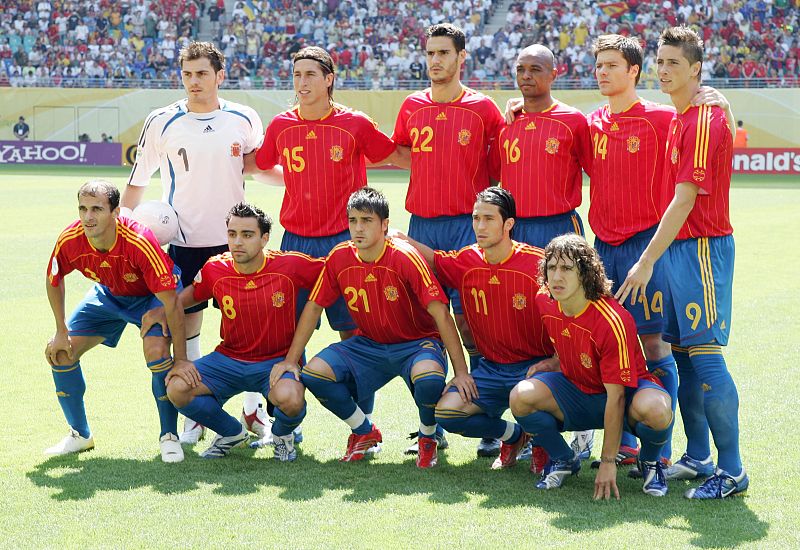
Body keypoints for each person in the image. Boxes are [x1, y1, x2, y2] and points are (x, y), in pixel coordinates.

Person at [252, 46, 408, 447]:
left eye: (310, 75)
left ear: (329, 79)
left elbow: (392, 153)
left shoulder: (354, 123)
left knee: (354, 334)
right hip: (296, 244)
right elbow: (260, 163)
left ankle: (364, 424)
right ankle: (287, 427)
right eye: (296, 74)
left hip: (346, 244)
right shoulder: (282, 125)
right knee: (289, 336)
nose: (302, 82)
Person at [617, 26, 747, 499]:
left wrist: (645, 260)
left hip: (702, 251)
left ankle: (732, 471)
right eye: (661, 61)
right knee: (686, 361)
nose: (664, 69)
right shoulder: (684, 117)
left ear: (696, 68)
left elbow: (686, 199)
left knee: (707, 360)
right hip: (678, 251)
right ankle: (698, 457)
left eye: (674, 62)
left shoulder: (700, 120)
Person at [122, 41, 269, 444]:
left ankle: (255, 410)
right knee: (187, 324)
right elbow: (137, 183)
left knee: (248, 327)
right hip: (183, 241)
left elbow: (258, 167)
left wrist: (300, 180)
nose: (194, 82)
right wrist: (124, 234)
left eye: (202, 73)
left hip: (236, 241)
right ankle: (196, 412)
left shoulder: (243, 117)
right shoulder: (162, 121)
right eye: (187, 74)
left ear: (220, 76)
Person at [274, 187, 475, 468]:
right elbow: (314, 306)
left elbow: (441, 313)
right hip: (369, 345)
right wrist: (290, 361)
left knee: (429, 379)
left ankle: (427, 438)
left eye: (367, 221)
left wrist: (462, 373)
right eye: (353, 220)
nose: (358, 228)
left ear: (384, 225)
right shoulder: (340, 257)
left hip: (416, 344)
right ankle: (364, 431)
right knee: (315, 374)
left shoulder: (405, 256)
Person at [392, 22, 504, 458]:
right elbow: (401, 150)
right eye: (430, 53)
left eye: (443, 53)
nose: (435, 60)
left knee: (475, 322)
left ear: (461, 58)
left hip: (466, 227)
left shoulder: (483, 109)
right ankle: (430, 424)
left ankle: (487, 421)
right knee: (426, 324)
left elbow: (499, 159)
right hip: (421, 225)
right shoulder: (411, 106)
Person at [395, 187, 557, 470]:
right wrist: (402, 239)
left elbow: (572, 314)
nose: (480, 227)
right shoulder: (467, 260)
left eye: (489, 219)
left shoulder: (538, 264)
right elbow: (435, 259)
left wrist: (556, 362)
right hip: (491, 369)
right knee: (447, 412)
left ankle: (546, 443)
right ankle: (514, 436)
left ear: (508, 224)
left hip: (534, 368)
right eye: (476, 218)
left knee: (543, 398)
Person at [142, 202, 320, 460]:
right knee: (177, 388)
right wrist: (162, 311)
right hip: (228, 359)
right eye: (232, 234)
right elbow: (190, 296)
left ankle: (281, 434)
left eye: (247, 235)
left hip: (275, 361)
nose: (237, 242)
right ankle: (231, 432)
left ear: (264, 238)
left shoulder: (291, 265)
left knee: (291, 400)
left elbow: (333, 270)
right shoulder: (216, 268)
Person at [510, 234, 673, 499]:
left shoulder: (612, 319)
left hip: (624, 394)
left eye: (566, 268)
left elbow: (617, 396)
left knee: (657, 410)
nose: (557, 277)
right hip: (576, 388)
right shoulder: (545, 299)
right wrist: (554, 360)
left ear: (585, 273)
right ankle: (564, 459)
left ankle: (651, 461)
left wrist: (608, 461)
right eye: (551, 268)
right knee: (520, 396)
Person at [44, 180, 191, 463]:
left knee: (157, 353)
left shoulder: (139, 241)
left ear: (116, 212)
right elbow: (54, 278)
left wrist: (182, 359)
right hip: (109, 294)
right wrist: (61, 330)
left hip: (153, 296)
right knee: (59, 352)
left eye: (97, 209)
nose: (88, 217)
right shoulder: (70, 239)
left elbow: (172, 302)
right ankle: (80, 435)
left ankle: (169, 436)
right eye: (83, 209)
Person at [490, 45, 591, 249]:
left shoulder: (573, 121)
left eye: (535, 69)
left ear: (553, 74)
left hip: (560, 226)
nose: (526, 75)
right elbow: (493, 176)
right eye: (520, 69)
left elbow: (597, 172)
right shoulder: (506, 123)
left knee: (563, 282)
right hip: (514, 228)